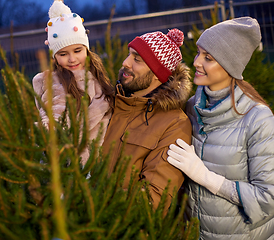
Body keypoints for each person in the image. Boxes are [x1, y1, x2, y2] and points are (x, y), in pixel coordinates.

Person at [167, 17, 274, 239]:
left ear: (230, 64)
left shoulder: (257, 119)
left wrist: (206, 177)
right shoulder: (192, 107)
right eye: (198, 53)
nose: (196, 62)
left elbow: (269, 198)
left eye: (208, 57)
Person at [102, 29, 193, 212]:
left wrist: (92, 201)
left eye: (137, 59)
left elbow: (153, 200)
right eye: (129, 55)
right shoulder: (109, 104)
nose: (125, 63)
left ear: (157, 74)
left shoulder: (174, 124)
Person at [32, 0, 114, 165]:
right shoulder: (57, 83)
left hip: (105, 160)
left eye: (78, 51)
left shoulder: (95, 75)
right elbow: (55, 112)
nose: (72, 59)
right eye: (63, 54)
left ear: (86, 49)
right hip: (77, 166)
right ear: (54, 57)